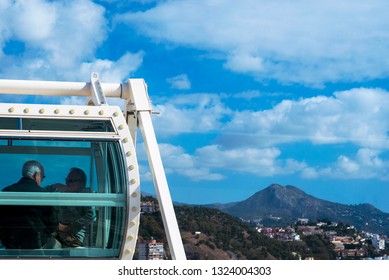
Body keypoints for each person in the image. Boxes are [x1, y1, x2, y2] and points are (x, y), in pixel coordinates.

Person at [0, 160, 60, 249]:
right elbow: (52, 225)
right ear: (36, 175)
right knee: (58, 245)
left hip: (11, 245)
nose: (41, 181)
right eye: (42, 178)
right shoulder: (44, 195)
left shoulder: (6, 191)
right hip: (37, 244)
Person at [47, 167, 95, 247]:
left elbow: (91, 216)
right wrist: (54, 186)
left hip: (74, 236)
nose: (67, 183)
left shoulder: (85, 194)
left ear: (82, 183)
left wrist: (69, 227)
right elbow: (43, 191)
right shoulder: (66, 192)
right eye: (67, 180)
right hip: (60, 232)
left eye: (71, 181)